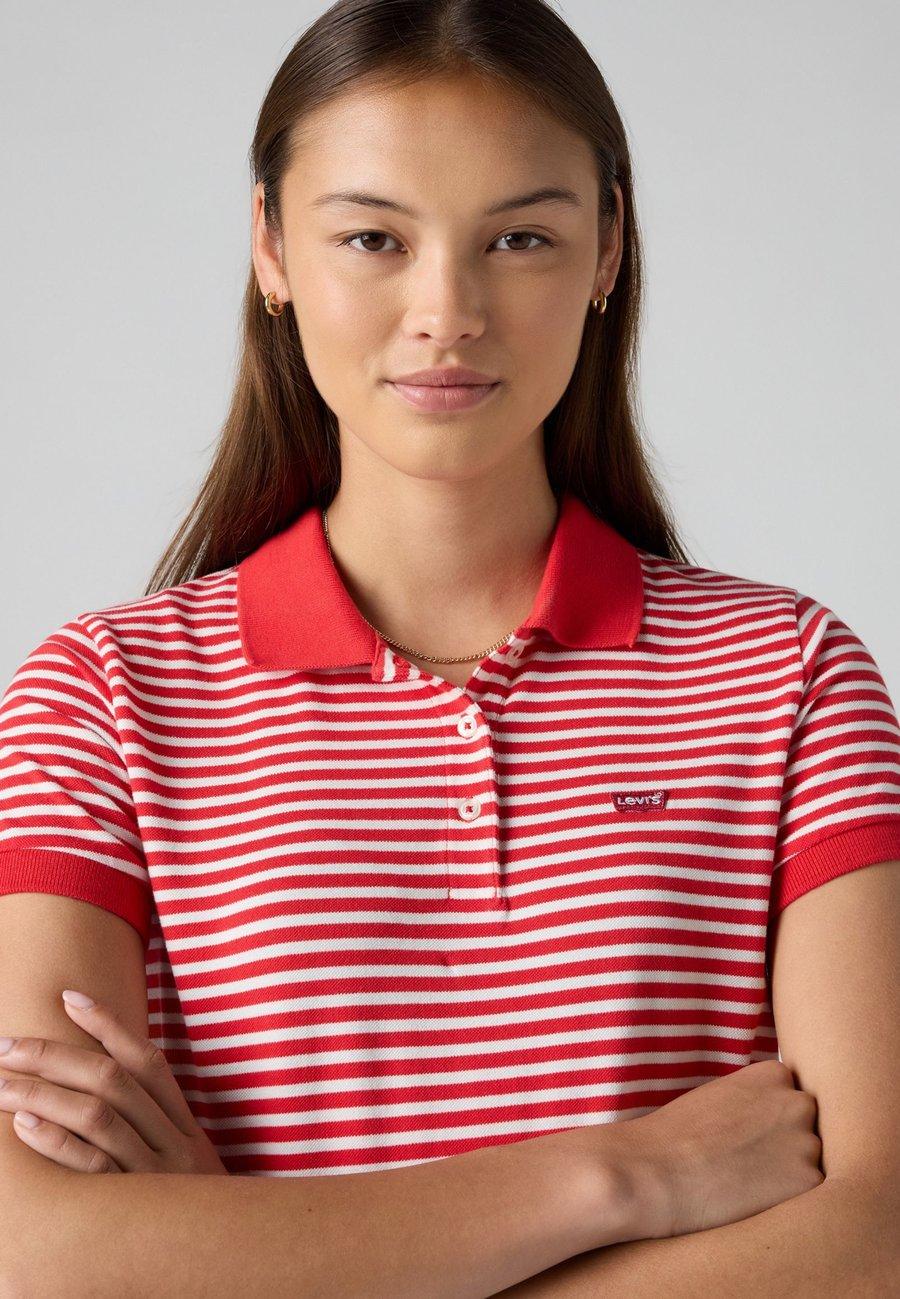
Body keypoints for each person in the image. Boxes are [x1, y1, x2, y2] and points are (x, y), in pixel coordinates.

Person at [1, 1, 898, 1294]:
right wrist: (625, 1176)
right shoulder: (102, 696)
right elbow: (38, 1254)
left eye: (520, 238)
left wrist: (257, 1261)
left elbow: (875, 1237)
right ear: (271, 248)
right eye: (373, 237)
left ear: (607, 251)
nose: (448, 310)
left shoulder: (792, 673)